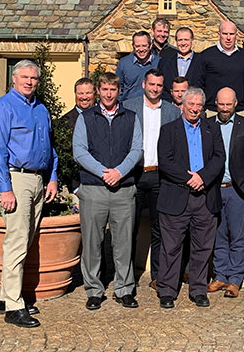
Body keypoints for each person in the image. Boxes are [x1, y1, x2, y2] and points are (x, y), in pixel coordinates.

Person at [0, 59, 59, 328]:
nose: (29, 82)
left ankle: (8, 296)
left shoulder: (40, 108)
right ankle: (14, 307)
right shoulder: (2, 107)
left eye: (34, 78)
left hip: (38, 180)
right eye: (25, 77)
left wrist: (52, 178)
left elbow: (49, 147)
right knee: (17, 241)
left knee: (25, 239)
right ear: (13, 79)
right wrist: (4, 188)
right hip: (15, 178)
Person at [73, 73, 143, 311]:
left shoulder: (131, 118)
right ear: (98, 91)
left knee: (123, 243)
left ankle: (124, 289)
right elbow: (79, 152)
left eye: (112, 90)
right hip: (93, 188)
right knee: (92, 243)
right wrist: (104, 172)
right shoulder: (86, 118)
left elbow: (136, 150)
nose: (108, 94)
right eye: (104, 89)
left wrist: (119, 173)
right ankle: (94, 290)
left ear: (119, 91)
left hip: (123, 189)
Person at [156, 87, 225, 309]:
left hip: (205, 196)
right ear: (182, 105)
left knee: (202, 247)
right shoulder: (168, 130)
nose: (194, 109)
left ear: (203, 108)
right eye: (191, 104)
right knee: (171, 247)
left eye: (198, 105)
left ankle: (198, 289)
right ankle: (167, 290)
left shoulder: (211, 129)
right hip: (177, 195)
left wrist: (202, 178)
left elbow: (219, 158)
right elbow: (165, 162)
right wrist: (189, 179)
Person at [122, 68, 181, 291]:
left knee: (160, 228)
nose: (155, 89)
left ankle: (158, 275)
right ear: (143, 85)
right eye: (152, 84)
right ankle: (127, 277)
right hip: (135, 174)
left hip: (160, 175)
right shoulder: (129, 107)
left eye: (159, 85)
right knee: (130, 227)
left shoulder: (171, 111)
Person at [207, 88, 244, 298]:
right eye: (221, 104)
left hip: (237, 189)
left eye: (229, 104)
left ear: (235, 103)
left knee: (237, 237)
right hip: (215, 188)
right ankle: (220, 275)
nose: (225, 108)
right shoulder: (207, 126)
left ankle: (235, 279)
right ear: (215, 103)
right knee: (218, 235)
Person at [194, 21, 244, 115]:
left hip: (239, 112)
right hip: (212, 111)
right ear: (218, 34)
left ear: (236, 35)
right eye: (225, 34)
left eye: (231, 34)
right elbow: (197, 84)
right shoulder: (206, 56)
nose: (228, 38)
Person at [59, 77, 95, 193]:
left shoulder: (105, 118)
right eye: (80, 93)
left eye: (88, 93)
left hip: (102, 184)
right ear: (75, 94)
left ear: (95, 93)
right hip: (76, 186)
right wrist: (75, 188)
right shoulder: (64, 123)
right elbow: (64, 159)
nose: (84, 97)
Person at [159, 27, 200, 102]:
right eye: (180, 40)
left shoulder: (201, 61)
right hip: (171, 107)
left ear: (192, 40)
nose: (183, 43)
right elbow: (162, 88)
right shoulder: (165, 62)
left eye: (186, 40)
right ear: (176, 41)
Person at [116, 31, 160, 101]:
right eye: (137, 46)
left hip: (153, 106)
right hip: (129, 106)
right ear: (133, 46)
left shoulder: (159, 63)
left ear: (150, 45)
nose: (141, 49)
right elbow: (117, 87)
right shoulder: (123, 63)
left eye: (144, 46)